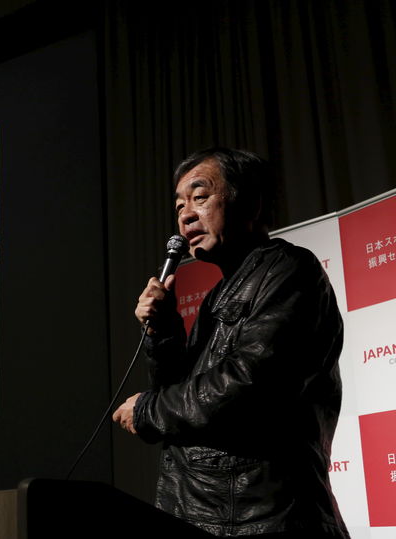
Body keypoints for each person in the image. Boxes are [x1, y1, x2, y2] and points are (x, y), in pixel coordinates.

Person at [112, 148, 349, 538]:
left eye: (200, 197)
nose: (186, 215)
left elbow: (250, 384)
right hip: (209, 514)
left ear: (251, 202)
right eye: (179, 206)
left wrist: (147, 411)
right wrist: (165, 332)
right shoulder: (217, 296)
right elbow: (185, 396)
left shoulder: (289, 270)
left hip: (264, 519)